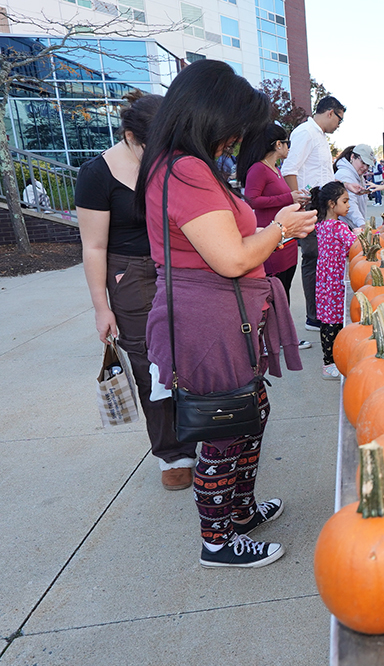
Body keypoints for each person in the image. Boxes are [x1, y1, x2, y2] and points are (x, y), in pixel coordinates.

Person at [136, 60, 317, 568]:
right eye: (236, 126)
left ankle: (240, 513)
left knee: (248, 412)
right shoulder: (186, 170)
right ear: (210, 115)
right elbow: (232, 256)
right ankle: (217, 539)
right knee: (223, 426)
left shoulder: (183, 165)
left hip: (225, 313)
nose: (238, 138)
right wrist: (280, 227)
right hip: (207, 319)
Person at [77, 91, 198, 491]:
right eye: (152, 143)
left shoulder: (172, 163)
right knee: (151, 368)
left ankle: (202, 434)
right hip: (130, 274)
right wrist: (101, 307)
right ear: (130, 135)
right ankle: (173, 455)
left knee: (194, 356)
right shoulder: (98, 173)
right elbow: (93, 246)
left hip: (182, 266)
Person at [238, 122, 312, 351]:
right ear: (278, 144)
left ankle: (283, 337)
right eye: (286, 143)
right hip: (272, 238)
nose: (289, 148)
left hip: (286, 240)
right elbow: (253, 200)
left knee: (285, 290)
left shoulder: (275, 168)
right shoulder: (258, 169)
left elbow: (278, 197)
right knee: (276, 293)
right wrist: (289, 198)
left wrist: (295, 198)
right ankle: (277, 340)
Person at [282, 95, 346, 332]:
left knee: (322, 259)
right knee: (313, 259)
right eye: (340, 119)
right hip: (309, 207)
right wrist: (297, 204)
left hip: (321, 206)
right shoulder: (305, 132)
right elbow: (290, 169)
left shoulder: (318, 135)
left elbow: (322, 174)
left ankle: (322, 311)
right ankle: (314, 317)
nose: (339, 125)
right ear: (330, 112)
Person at [309, 182, 355, 379]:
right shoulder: (338, 227)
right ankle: (330, 363)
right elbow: (355, 245)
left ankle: (329, 361)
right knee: (334, 323)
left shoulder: (321, 225)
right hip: (336, 281)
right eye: (344, 201)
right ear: (331, 204)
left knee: (328, 321)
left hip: (325, 280)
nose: (348, 206)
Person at [333, 144, 376, 230]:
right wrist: (361, 224)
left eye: (368, 165)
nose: (365, 167)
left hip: (353, 225)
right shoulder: (344, 174)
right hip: (346, 227)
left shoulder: (358, 176)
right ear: (352, 157)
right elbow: (350, 203)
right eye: (363, 163)